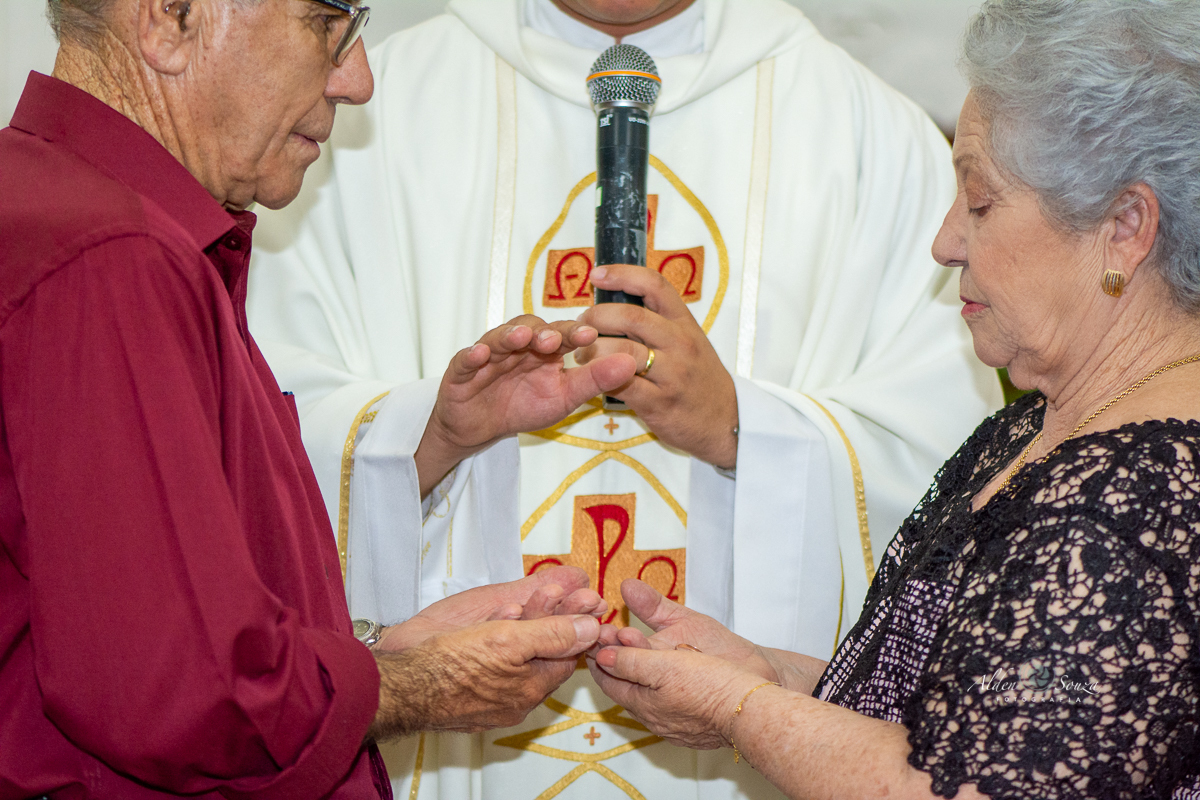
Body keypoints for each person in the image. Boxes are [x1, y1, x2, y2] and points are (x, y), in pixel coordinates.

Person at [246, 0, 1003, 796]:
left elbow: (958, 469)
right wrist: (430, 436)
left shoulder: (866, 135)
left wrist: (741, 430)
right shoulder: (363, 103)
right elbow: (251, 425)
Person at [0, 0, 638, 797]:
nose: (358, 79)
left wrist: (385, 652)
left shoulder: (61, 211)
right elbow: (180, 694)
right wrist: (423, 685)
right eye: (325, 22)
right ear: (167, 18)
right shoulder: (111, 255)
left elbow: (141, 615)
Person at [584, 1, 1200, 797]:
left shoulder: (1134, 507)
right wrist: (767, 678)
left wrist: (740, 708)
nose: (945, 242)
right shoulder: (1030, 428)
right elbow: (953, 720)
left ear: (1124, 227)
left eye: (979, 202)